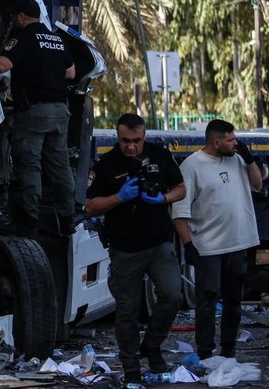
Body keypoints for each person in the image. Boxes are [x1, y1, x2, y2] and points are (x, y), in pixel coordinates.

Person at [84, 113, 185, 386]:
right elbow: (90, 206)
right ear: (118, 137)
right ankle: (131, 367)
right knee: (127, 311)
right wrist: (119, 197)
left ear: (144, 136)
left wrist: (162, 198)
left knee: (173, 295)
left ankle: (152, 344)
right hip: (125, 249)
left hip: (158, 243)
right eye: (125, 141)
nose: (131, 147)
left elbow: (181, 189)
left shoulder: (160, 156)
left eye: (137, 141)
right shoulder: (105, 165)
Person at [0, 0, 77, 236]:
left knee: (29, 165)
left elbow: (4, 65)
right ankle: (67, 219)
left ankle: (28, 221)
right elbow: (71, 72)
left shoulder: (23, 37)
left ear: (21, 16)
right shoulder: (56, 39)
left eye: (15, 16)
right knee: (60, 167)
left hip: (34, 113)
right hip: (60, 111)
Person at [173, 119, 262, 361]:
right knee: (207, 302)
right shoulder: (193, 166)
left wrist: (250, 158)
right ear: (216, 142)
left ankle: (229, 348)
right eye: (231, 140)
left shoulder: (238, 159)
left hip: (238, 243)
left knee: (234, 301)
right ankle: (205, 352)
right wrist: (188, 244)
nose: (236, 144)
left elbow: (257, 184)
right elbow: (179, 211)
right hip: (209, 247)